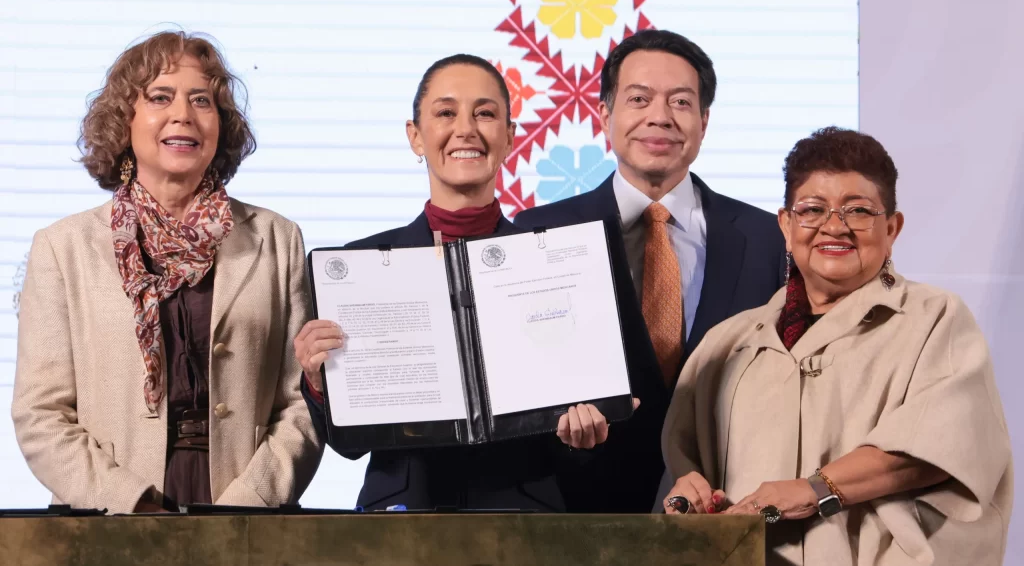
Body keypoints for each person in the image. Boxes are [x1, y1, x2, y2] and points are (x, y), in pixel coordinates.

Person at [661, 127, 1013, 565]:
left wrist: (810, 490)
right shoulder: (727, 343)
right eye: (812, 210)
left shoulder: (934, 320)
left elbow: (946, 446)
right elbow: (687, 464)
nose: (834, 226)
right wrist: (690, 495)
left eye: (858, 210)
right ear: (786, 226)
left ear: (892, 228)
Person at [294, 54, 625, 511]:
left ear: (509, 137)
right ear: (416, 136)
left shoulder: (555, 264)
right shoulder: (360, 268)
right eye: (446, 113)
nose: (466, 129)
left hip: (526, 522)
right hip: (401, 523)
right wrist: (318, 379)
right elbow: (350, 445)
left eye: (485, 113)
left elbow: (579, 434)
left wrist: (584, 434)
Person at [12, 31, 323, 513]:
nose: (183, 113)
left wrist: (249, 502)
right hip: (110, 517)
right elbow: (41, 414)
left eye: (202, 100)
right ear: (125, 119)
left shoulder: (278, 239)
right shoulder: (62, 248)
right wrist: (130, 504)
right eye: (161, 97)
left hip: (245, 510)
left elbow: (301, 399)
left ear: (220, 124)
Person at [514, 29, 787, 512]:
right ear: (605, 114)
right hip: (573, 512)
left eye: (681, 102)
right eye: (639, 99)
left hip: (723, 513)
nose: (659, 117)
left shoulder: (767, 239)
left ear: (704, 121)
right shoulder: (539, 231)